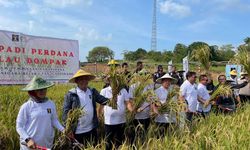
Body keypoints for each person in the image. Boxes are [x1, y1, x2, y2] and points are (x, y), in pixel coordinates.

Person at [62, 69, 109, 146]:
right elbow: (65, 113)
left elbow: (102, 100)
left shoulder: (92, 91)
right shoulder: (71, 94)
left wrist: (113, 97)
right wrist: (67, 129)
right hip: (77, 131)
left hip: (91, 129)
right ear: (76, 81)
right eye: (81, 79)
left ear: (88, 80)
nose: (83, 81)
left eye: (85, 79)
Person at [16, 76, 64, 150]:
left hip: (46, 143)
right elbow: (19, 126)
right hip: (30, 145)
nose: (42, 91)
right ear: (33, 91)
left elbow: (54, 120)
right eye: (39, 89)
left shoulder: (50, 103)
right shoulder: (27, 106)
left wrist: (63, 130)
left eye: (44, 89)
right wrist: (27, 139)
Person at [98, 79, 133, 150]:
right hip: (109, 122)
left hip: (121, 121)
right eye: (114, 80)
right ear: (109, 81)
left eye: (117, 80)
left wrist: (132, 110)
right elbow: (101, 106)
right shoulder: (104, 91)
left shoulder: (123, 90)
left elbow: (127, 103)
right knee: (108, 142)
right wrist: (98, 116)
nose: (116, 82)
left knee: (119, 142)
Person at [152, 73, 177, 138]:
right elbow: (154, 104)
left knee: (170, 137)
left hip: (171, 119)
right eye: (166, 81)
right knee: (160, 137)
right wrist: (161, 107)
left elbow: (175, 103)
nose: (168, 82)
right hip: (161, 119)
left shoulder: (173, 92)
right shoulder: (157, 91)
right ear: (162, 81)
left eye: (169, 81)